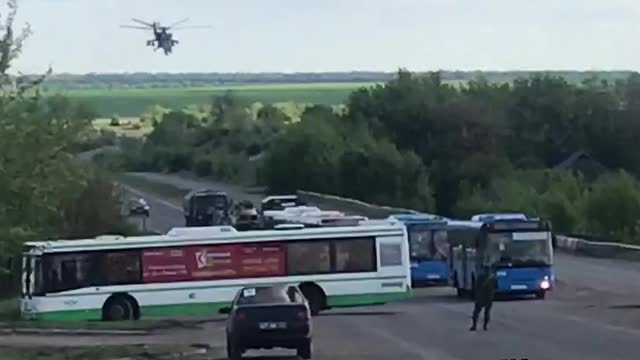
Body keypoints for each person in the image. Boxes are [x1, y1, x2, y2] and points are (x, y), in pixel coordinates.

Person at [470, 265, 497, 331]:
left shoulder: (480, 277)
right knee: (487, 312)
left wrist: (475, 295)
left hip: (480, 297)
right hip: (489, 297)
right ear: (490, 270)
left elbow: (476, 286)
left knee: (476, 312)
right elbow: (496, 287)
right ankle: (485, 326)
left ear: (484, 270)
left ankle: (474, 326)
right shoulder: (493, 277)